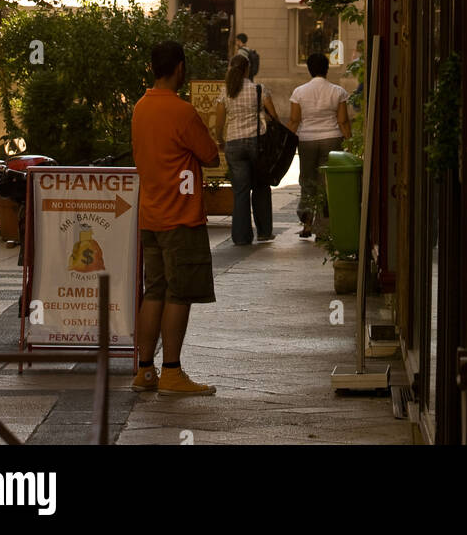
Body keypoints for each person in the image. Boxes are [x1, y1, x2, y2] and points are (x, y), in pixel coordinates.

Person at [130, 40, 220, 396]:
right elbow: (211, 155)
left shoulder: (140, 108)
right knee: (179, 295)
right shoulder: (182, 112)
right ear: (180, 68)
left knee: (154, 291)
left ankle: (144, 370)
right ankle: (171, 371)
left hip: (150, 215)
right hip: (180, 218)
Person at [288, 51, 351, 239]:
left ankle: (307, 224)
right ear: (327, 69)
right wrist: (349, 141)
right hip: (332, 138)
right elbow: (343, 121)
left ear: (309, 69)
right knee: (326, 183)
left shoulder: (299, 92)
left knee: (307, 181)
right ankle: (323, 229)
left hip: (306, 140)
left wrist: (288, 144)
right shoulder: (337, 91)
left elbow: (294, 120)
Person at [215, 54, 276, 245]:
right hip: (256, 144)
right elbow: (273, 115)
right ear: (248, 69)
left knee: (240, 192)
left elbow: (219, 121)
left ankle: (241, 237)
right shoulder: (258, 89)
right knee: (260, 187)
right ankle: (264, 231)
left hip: (233, 143)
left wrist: (220, 140)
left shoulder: (226, 91)